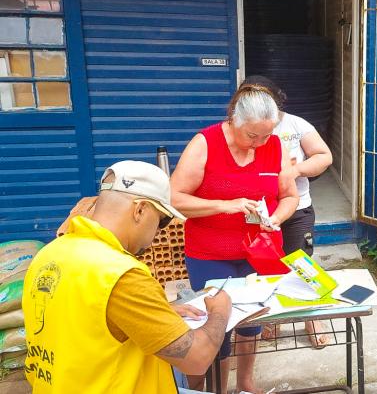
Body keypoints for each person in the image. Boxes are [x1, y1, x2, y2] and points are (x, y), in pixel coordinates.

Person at [22, 161, 232, 393]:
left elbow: (84, 319)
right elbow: (197, 358)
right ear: (140, 210)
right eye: (162, 221)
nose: (156, 234)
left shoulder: (50, 254)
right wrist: (220, 311)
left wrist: (156, 313)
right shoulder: (122, 274)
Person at [170, 85, 299, 393]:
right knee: (215, 328)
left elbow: (289, 195)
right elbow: (173, 197)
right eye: (253, 136)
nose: (260, 143)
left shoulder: (274, 146)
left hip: (259, 254)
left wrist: (278, 218)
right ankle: (216, 389)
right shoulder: (206, 143)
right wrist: (226, 205)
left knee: (252, 321)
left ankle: (245, 384)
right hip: (210, 254)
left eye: (267, 135)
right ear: (233, 120)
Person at [242, 75, 334, 347]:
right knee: (264, 266)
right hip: (256, 212)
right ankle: (271, 318)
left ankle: (311, 318)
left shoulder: (295, 124)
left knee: (301, 262)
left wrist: (295, 170)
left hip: (297, 207)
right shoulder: (240, 127)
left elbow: (324, 156)